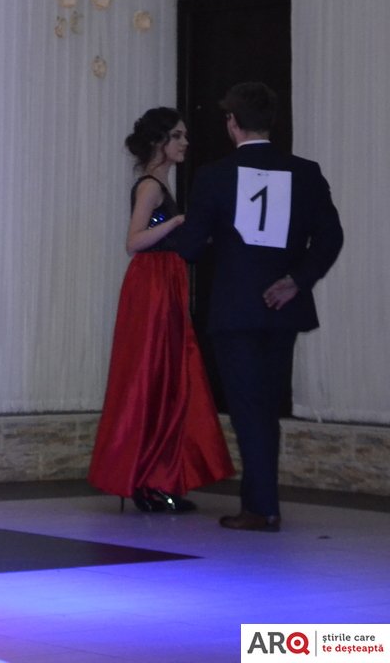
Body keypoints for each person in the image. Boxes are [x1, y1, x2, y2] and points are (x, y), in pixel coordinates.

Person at [178, 82, 343, 532]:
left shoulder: (214, 175)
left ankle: (262, 507)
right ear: (271, 122)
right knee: (267, 406)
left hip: (235, 310)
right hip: (283, 307)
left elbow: (190, 246)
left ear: (232, 123)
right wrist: (297, 280)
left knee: (248, 408)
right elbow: (330, 237)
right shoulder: (305, 172)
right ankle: (260, 501)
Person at [87, 108, 234, 513]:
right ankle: (145, 480)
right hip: (152, 284)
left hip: (163, 281)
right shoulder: (151, 186)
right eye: (177, 136)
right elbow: (133, 241)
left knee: (165, 377)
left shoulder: (161, 183)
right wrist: (177, 222)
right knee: (152, 376)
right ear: (159, 142)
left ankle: (153, 477)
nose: (185, 142)